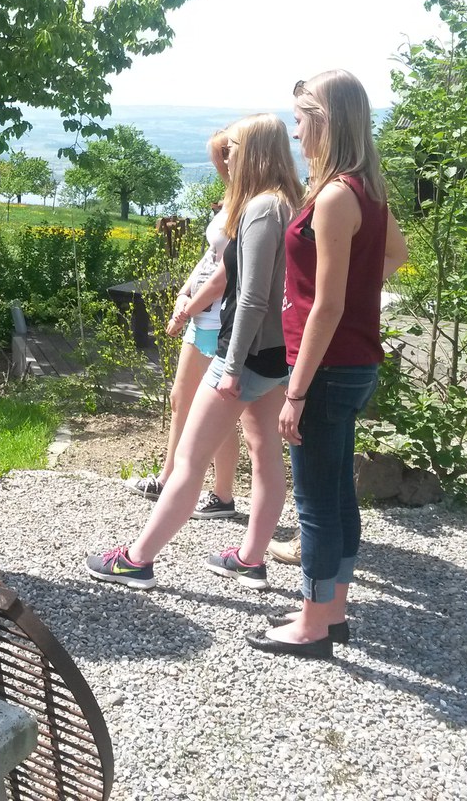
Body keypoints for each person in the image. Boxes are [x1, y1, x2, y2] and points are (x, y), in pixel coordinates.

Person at [85, 114, 302, 590]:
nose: (230, 157)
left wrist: (232, 364)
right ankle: (249, 559)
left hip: (245, 357)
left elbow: (253, 296)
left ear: (256, 152)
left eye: (236, 148)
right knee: (265, 457)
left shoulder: (263, 208)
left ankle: (137, 560)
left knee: (188, 461)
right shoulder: (290, 202)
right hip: (275, 357)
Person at [246, 70, 407, 659]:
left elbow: (328, 304)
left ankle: (313, 627)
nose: (294, 130)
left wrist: (295, 393)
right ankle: (330, 610)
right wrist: (358, 295)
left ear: (327, 120)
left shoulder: (337, 194)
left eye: (301, 118)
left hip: (329, 369)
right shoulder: (366, 188)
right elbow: (395, 254)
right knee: (338, 493)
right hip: (353, 364)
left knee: (315, 500)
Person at [124, 128, 240, 520]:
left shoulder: (252, 205)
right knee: (181, 400)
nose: (219, 167)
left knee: (218, 409)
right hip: (201, 313)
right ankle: (169, 477)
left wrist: (189, 308)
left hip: (218, 318)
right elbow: (210, 256)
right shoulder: (231, 201)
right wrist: (184, 292)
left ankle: (221, 494)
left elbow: (227, 272)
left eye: (222, 158)